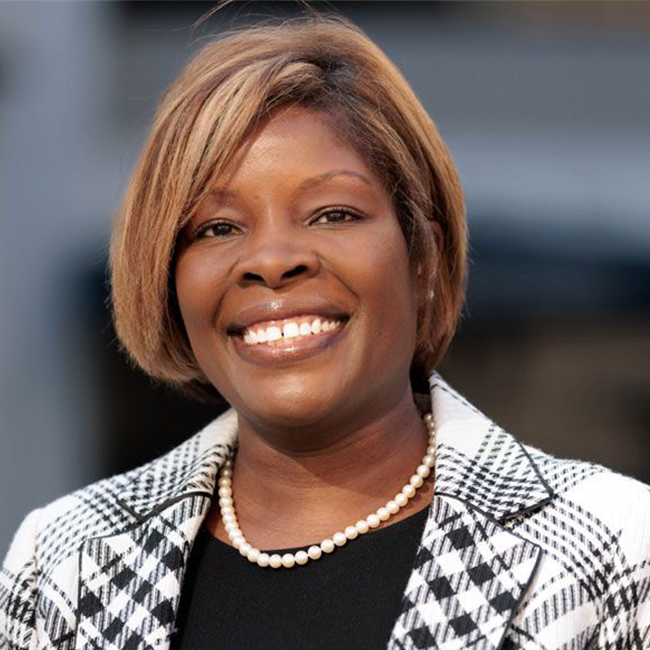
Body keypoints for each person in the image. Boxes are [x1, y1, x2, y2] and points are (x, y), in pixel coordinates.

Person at [1, 15, 649, 650]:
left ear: (422, 256)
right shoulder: (60, 560)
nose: (272, 259)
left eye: (332, 213)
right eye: (218, 229)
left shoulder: (615, 547)